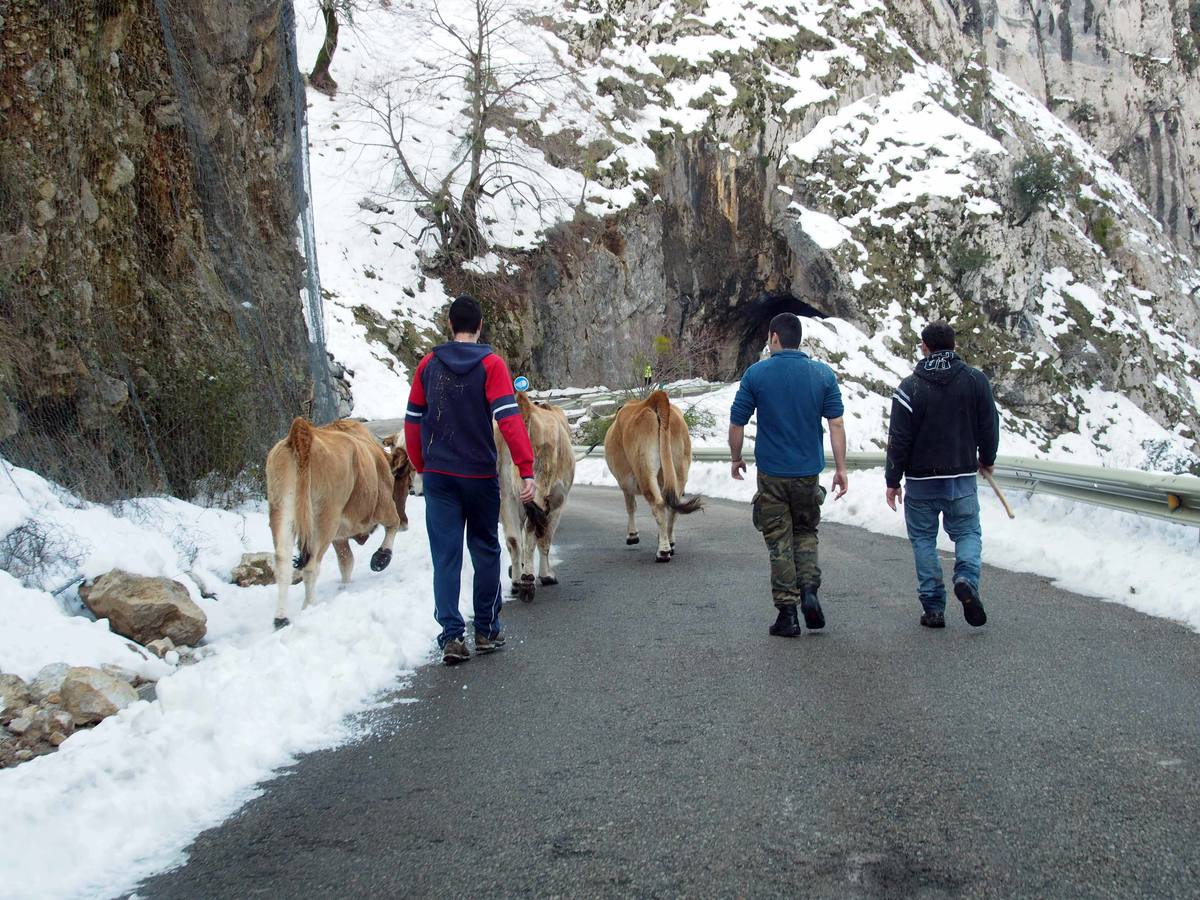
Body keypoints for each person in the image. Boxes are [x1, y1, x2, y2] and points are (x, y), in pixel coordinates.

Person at [404, 295, 536, 664]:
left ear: (450, 325)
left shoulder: (428, 365)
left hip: (440, 478)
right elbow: (509, 419)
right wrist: (526, 469)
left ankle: (451, 636)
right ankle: (486, 629)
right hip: (479, 475)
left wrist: (420, 464)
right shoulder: (491, 365)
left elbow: (413, 421)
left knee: (446, 556)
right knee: (485, 550)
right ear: (479, 327)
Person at [729, 312, 848, 638]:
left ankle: (788, 613)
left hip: (772, 475)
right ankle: (809, 589)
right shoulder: (822, 375)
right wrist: (840, 468)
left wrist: (736, 458)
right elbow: (835, 424)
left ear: (774, 338)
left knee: (779, 541)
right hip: (808, 474)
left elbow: (737, 421)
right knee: (806, 533)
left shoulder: (757, 374)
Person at [884, 321, 999, 629]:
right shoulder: (975, 381)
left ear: (924, 346)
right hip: (960, 476)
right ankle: (965, 577)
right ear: (954, 345)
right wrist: (987, 459)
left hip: (920, 481)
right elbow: (989, 426)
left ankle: (933, 608)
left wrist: (893, 480)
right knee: (967, 533)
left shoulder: (910, 387)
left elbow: (898, 438)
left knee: (923, 539)